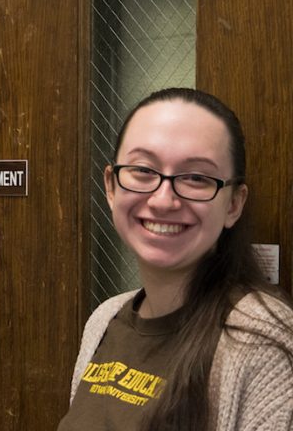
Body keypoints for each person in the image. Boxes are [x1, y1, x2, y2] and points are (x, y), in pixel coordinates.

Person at [57, 88, 293, 431]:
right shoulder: (103, 321)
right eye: (142, 170)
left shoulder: (264, 343)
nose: (163, 200)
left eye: (196, 177)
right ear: (111, 186)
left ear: (233, 205)